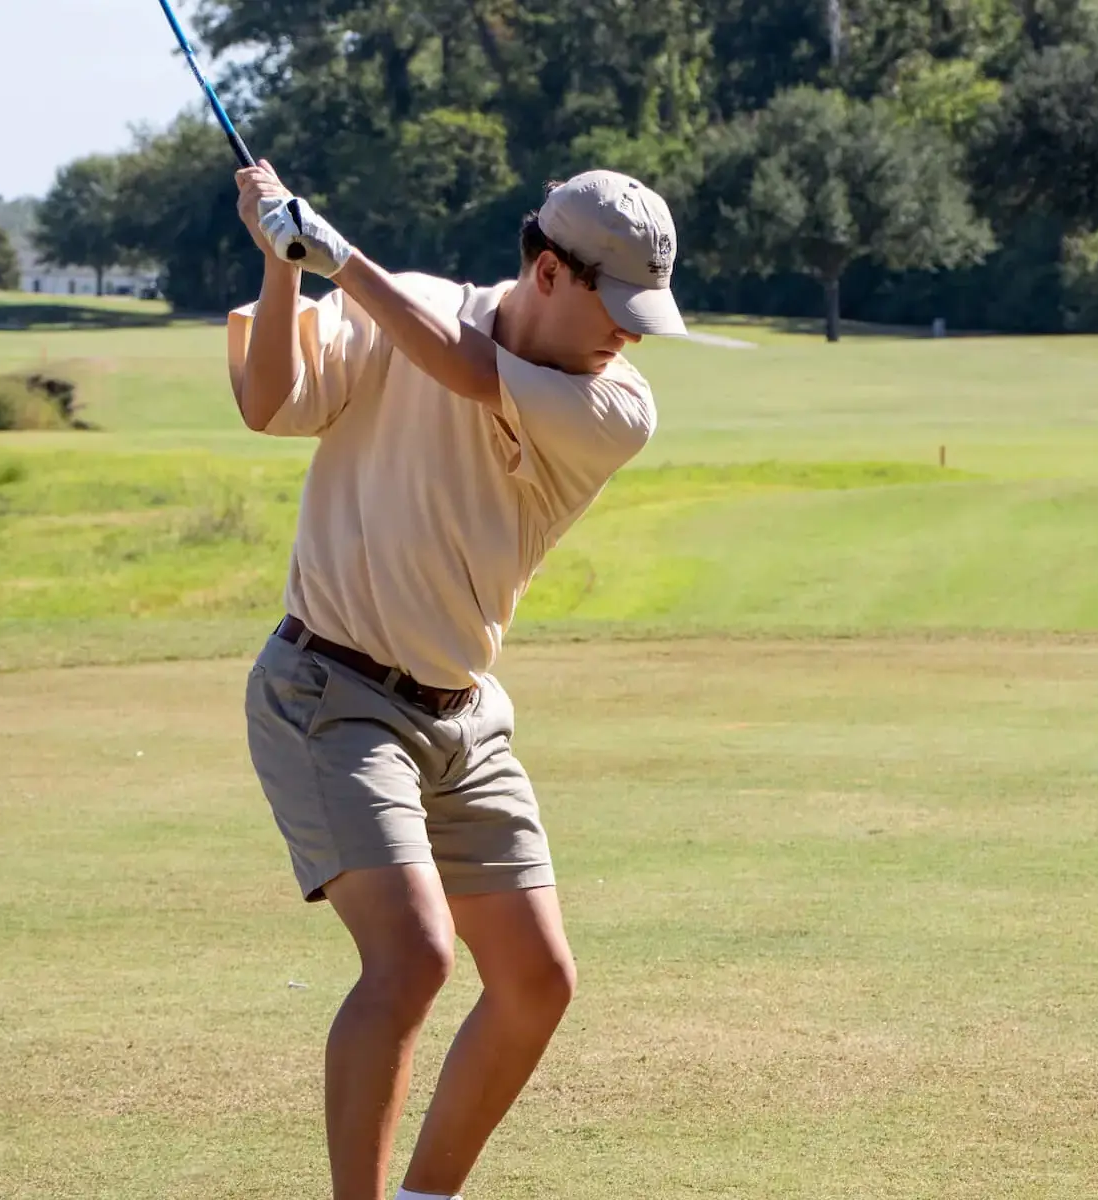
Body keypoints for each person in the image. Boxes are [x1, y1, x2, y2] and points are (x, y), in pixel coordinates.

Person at [227, 160, 686, 1200]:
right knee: (414, 959)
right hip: (328, 695)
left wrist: (340, 259)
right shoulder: (413, 304)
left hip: (463, 717)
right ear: (544, 269)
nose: (632, 332)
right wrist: (281, 269)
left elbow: (466, 372)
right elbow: (269, 403)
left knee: (535, 982)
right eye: (615, 305)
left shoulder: (617, 406)